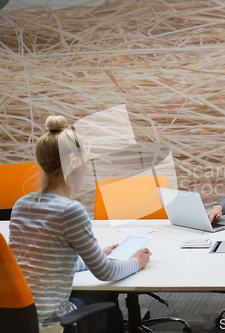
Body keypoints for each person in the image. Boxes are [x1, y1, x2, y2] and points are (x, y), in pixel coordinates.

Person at [9, 115, 151, 333]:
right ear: (73, 162)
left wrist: (94, 255)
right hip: (49, 322)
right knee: (107, 294)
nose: (87, 168)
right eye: (86, 160)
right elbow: (107, 273)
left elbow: (44, 262)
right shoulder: (70, 210)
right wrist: (136, 262)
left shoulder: (21, 204)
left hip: (17, 315)